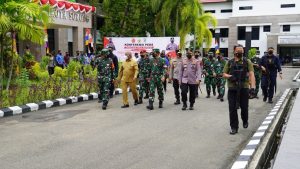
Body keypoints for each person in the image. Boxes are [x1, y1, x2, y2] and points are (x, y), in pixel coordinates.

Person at [223, 44, 256, 135]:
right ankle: (234, 127)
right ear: (234, 51)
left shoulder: (247, 61)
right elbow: (224, 74)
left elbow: (252, 74)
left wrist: (252, 88)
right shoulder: (229, 62)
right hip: (232, 88)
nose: (240, 52)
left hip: (244, 88)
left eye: (241, 51)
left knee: (244, 108)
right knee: (232, 109)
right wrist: (231, 76)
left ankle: (245, 120)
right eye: (238, 51)